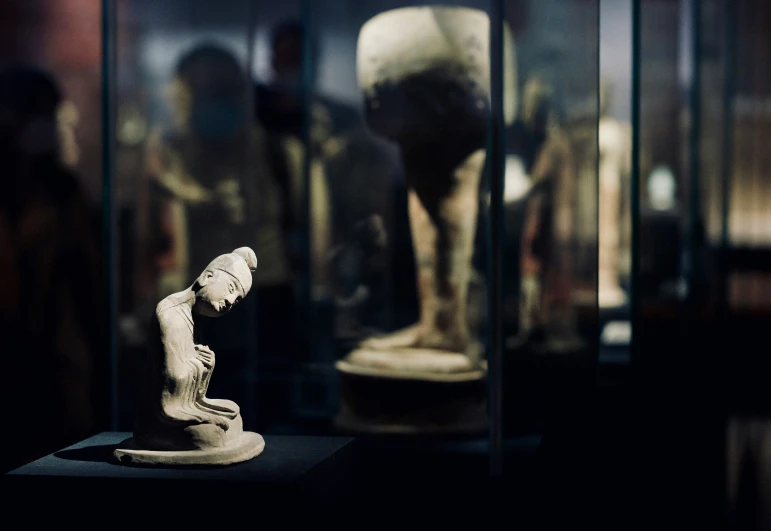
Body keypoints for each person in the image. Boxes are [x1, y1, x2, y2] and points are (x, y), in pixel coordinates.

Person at [0, 65, 101, 471]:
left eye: (49, 115)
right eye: (35, 114)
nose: (44, 127)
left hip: (54, 370)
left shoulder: (64, 191)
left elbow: (89, 286)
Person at [135, 247, 257, 450]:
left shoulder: (194, 319)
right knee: (210, 436)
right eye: (230, 289)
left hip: (186, 403)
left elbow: (193, 389)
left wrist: (207, 364)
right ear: (207, 277)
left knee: (234, 415)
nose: (230, 301)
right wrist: (197, 363)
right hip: (160, 417)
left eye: (236, 300)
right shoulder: (170, 312)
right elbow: (172, 378)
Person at [508, 74, 577, 344]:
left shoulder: (555, 144)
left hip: (547, 225)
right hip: (539, 222)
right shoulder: (549, 144)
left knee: (542, 277)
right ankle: (534, 327)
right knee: (534, 277)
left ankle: (543, 328)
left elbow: (540, 185)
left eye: (532, 105)